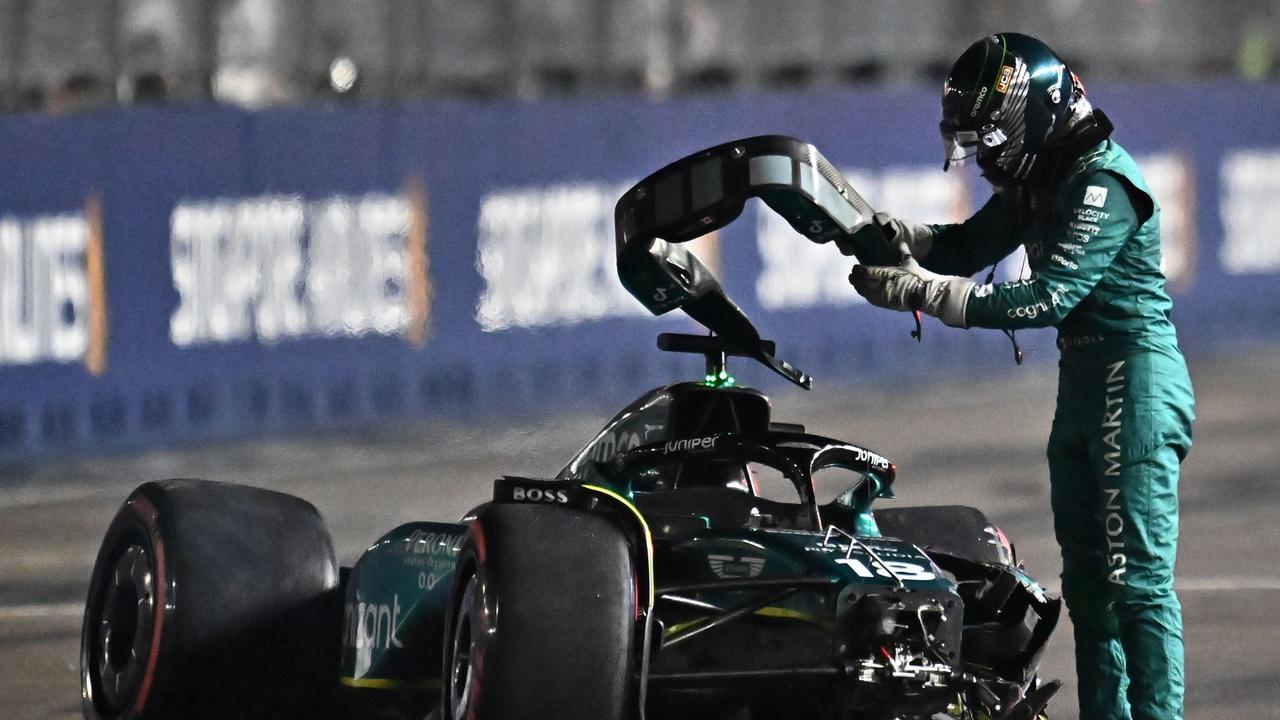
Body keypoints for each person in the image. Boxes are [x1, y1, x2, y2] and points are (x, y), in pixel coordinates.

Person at [844, 33, 1196, 720]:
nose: (984, 156)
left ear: (1029, 116)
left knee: (1138, 586)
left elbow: (1049, 297)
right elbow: (969, 246)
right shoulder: (1044, 179)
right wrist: (901, 240)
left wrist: (922, 293)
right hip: (1088, 379)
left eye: (988, 139)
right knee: (1091, 589)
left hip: (1137, 376)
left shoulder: (1104, 180)